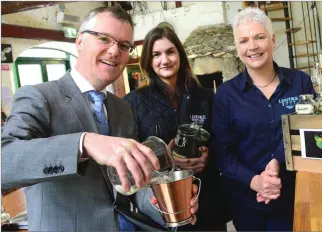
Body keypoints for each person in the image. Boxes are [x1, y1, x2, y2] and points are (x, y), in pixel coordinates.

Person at [1, 7, 198, 232]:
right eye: (104, 38)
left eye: (124, 45)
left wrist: (167, 208)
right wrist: (84, 143)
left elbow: (133, 185)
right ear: (79, 41)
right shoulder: (39, 96)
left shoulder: (122, 108)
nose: (114, 51)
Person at [211, 7, 315, 231]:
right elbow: (224, 155)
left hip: (296, 195)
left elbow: (309, 133)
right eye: (244, 40)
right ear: (237, 47)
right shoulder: (226, 95)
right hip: (248, 202)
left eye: (259, 37)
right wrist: (256, 182)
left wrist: (277, 161)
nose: (252, 47)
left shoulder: (300, 83)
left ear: (272, 39)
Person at [123, 26, 227, 231]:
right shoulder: (134, 102)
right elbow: (130, 157)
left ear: (179, 54)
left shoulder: (205, 97)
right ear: (148, 61)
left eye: (170, 52)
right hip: (161, 206)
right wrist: (164, 158)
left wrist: (208, 156)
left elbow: (223, 142)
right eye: (156, 54)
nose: (165, 60)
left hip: (206, 199)